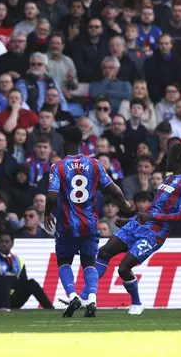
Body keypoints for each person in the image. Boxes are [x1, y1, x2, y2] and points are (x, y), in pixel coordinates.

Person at [93, 143, 181, 315]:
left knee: (124, 268)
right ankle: (86, 295)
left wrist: (152, 218)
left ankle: (137, 303)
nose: (167, 159)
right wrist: (131, 220)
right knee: (104, 252)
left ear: (177, 159)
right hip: (138, 224)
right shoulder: (168, 179)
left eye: (170, 156)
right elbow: (154, 208)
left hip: (155, 233)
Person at [44, 127, 131, 318]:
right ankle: (92, 299)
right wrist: (124, 203)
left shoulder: (57, 167)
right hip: (90, 224)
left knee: (64, 262)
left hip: (67, 225)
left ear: (64, 144)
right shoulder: (94, 164)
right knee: (89, 263)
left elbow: (51, 195)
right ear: (82, 144)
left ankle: (74, 295)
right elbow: (113, 189)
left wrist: (47, 213)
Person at [0, 231, 53, 311]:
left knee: (31, 283)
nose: (4, 244)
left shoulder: (19, 261)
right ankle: (5, 310)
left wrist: (11, 279)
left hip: (13, 297)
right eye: (1, 241)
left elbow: (23, 282)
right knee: (4, 281)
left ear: (12, 244)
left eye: (6, 242)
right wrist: (13, 279)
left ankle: (50, 309)